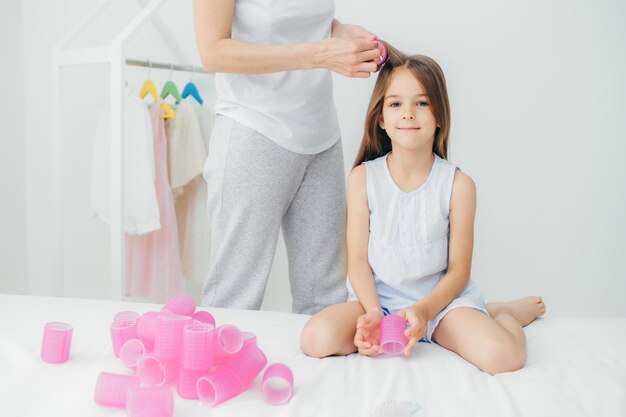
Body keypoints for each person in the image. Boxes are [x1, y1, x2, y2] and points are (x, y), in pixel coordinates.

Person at [300, 44, 546, 375]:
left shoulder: (459, 186)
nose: (408, 113)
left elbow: (459, 270)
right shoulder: (362, 179)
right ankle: (466, 314)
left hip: (441, 306)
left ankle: (501, 313)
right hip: (379, 301)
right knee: (316, 339)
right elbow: (357, 261)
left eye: (422, 102)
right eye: (396, 103)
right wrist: (373, 313)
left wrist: (424, 311)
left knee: (504, 357)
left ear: (440, 116)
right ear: (381, 118)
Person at [192, 0, 383, 314]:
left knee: (326, 300)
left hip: (321, 137)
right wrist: (321, 53)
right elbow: (213, 51)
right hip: (254, 133)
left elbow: (296, 19)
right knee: (235, 298)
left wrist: (341, 32)